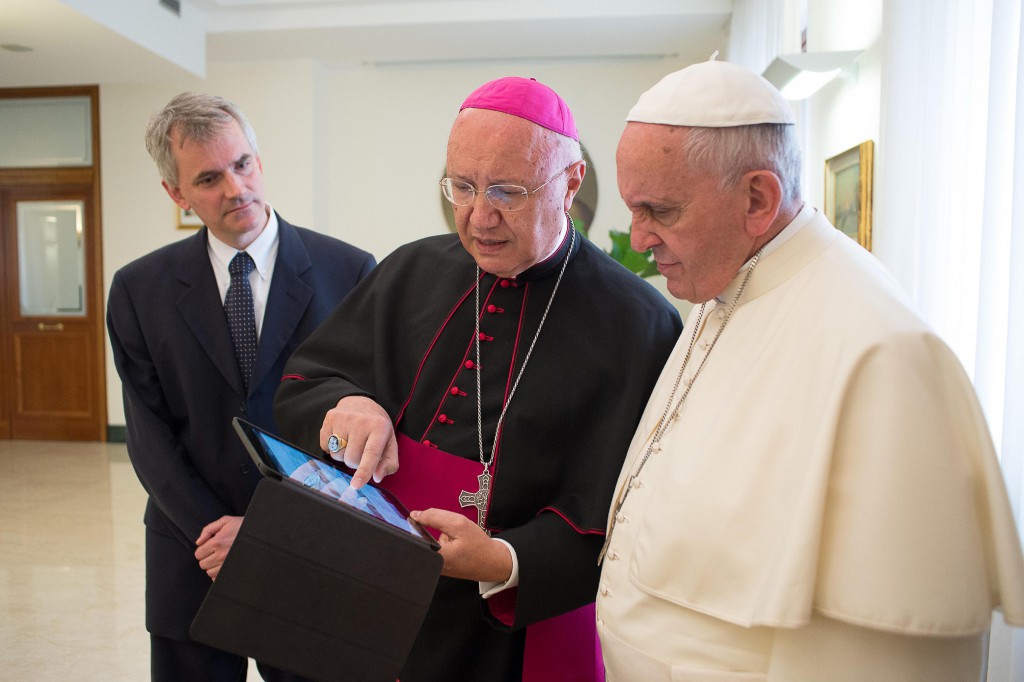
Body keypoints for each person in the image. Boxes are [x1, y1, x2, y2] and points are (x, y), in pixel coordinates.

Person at [596, 58, 1024, 681]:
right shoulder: (725, 290)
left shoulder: (881, 355)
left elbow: (889, 661)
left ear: (757, 198)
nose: (639, 239)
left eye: (660, 211)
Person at [273, 76, 683, 681]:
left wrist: (504, 559)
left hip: (505, 631)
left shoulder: (637, 322)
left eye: (506, 192)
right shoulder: (411, 269)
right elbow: (308, 383)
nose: (478, 216)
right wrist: (351, 404)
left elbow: (631, 511)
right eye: (461, 187)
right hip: (367, 588)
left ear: (571, 184)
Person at [106, 91, 376, 682]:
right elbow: (149, 439)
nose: (235, 188)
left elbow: (365, 426)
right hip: (192, 553)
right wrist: (214, 529)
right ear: (175, 194)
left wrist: (271, 531)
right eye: (208, 178)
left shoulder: (351, 274)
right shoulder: (138, 289)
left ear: (258, 157)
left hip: (310, 552)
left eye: (242, 164)